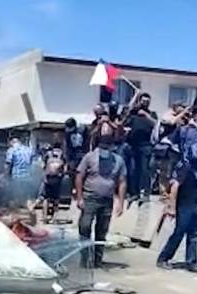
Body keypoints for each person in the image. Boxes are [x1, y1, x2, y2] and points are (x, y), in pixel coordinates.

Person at [157, 114, 197, 273]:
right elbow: (175, 186)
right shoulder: (184, 165)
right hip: (184, 204)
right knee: (179, 232)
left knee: (194, 234)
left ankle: (191, 262)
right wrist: (171, 207)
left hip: (196, 203)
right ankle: (164, 258)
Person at [75, 126, 127, 268]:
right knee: (85, 226)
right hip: (90, 197)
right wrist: (79, 197)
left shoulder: (118, 161)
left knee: (102, 230)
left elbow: (122, 182)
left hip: (107, 200)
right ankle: (85, 258)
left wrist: (121, 203)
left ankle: (97, 260)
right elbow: (79, 176)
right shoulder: (90, 157)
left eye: (107, 147)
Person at [124, 92, 158, 201]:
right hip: (133, 145)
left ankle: (146, 194)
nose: (145, 103)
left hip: (146, 145)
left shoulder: (151, 114)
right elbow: (126, 112)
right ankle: (135, 193)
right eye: (143, 101)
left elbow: (156, 124)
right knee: (134, 170)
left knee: (145, 170)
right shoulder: (133, 113)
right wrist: (135, 96)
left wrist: (146, 115)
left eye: (147, 101)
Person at [5, 136, 35, 206]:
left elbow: (8, 163)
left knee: (16, 194)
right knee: (27, 194)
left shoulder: (11, 150)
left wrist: (6, 175)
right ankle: (29, 208)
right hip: (27, 175)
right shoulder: (28, 150)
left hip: (16, 175)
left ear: (12, 142)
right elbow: (32, 163)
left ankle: (17, 209)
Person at [41, 142, 65, 223]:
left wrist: (44, 176)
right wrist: (62, 175)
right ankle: (53, 218)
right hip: (57, 179)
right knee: (56, 199)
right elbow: (65, 168)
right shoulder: (62, 154)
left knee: (46, 198)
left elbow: (43, 166)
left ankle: (44, 217)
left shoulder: (48, 154)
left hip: (48, 178)